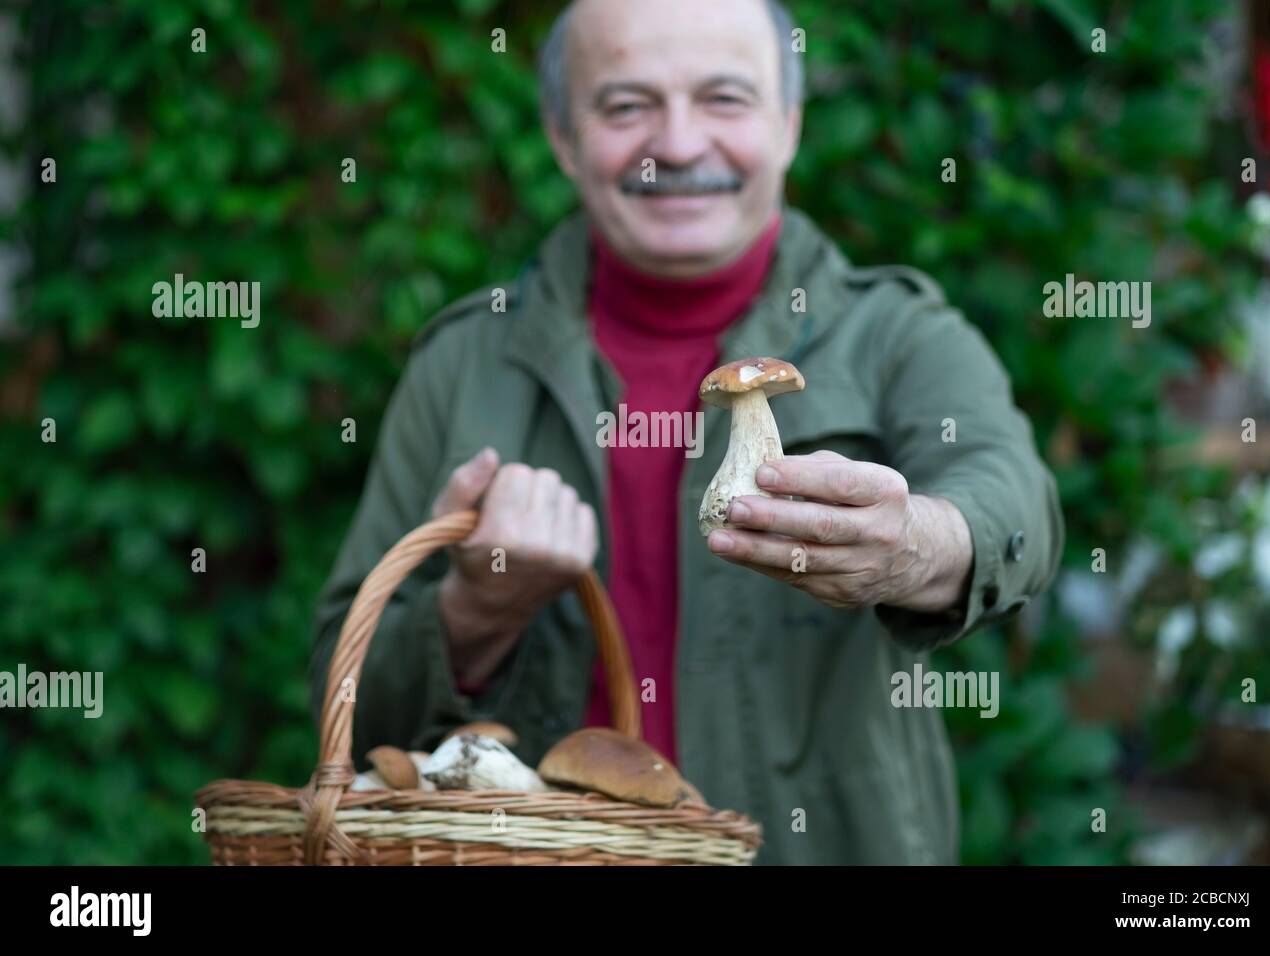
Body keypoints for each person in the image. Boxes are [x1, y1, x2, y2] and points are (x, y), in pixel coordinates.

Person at [309, 0, 1064, 864]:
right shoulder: (463, 361)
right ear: (562, 136)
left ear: (789, 123)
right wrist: (474, 611)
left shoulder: (898, 334)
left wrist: (912, 547)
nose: (676, 143)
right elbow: (345, 699)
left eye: (726, 99)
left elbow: (1018, 508)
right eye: (626, 106)